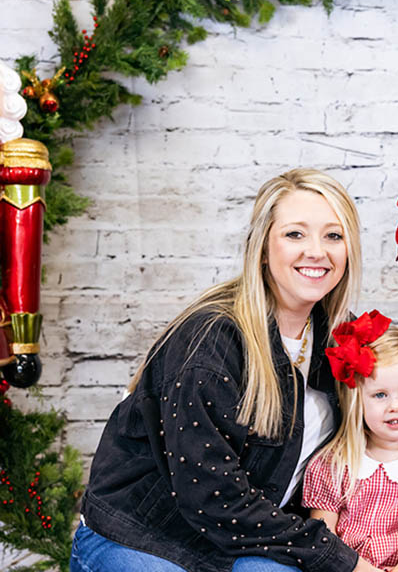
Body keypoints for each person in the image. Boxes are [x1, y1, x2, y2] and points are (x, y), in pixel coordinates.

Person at [73, 168, 381, 572]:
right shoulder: (210, 341)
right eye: (295, 234)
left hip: (249, 541)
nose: (316, 251)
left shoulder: (341, 339)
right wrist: (344, 561)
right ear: (264, 248)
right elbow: (213, 495)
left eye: (333, 236)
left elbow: (397, 428)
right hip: (147, 535)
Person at [302, 310, 398, 572]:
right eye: (380, 395)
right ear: (357, 402)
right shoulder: (333, 463)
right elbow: (323, 539)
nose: (395, 406)